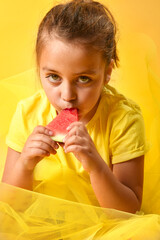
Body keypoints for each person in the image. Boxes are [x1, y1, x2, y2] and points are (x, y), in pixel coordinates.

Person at [2, 0, 147, 214]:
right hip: (42, 222)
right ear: (39, 70)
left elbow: (128, 210)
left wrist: (96, 165)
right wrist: (24, 163)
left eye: (84, 79)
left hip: (105, 228)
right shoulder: (27, 114)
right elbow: (7, 205)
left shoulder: (124, 120)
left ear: (107, 71)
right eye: (53, 77)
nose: (67, 96)